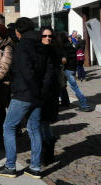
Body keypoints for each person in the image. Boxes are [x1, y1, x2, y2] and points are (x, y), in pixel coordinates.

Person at [0, 17, 43, 179]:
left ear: (18, 31)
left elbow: (26, 72)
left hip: (24, 93)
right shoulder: (41, 44)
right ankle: (35, 167)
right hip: (38, 94)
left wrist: (31, 90)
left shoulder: (22, 47)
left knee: (9, 127)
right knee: (34, 129)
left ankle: (10, 166)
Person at [38, 27, 63, 166]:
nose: (48, 38)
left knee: (42, 122)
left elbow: (49, 73)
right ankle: (48, 155)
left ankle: (44, 156)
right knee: (44, 123)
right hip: (48, 91)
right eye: (45, 35)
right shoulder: (42, 49)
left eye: (50, 36)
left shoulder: (52, 51)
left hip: (49, 92)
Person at [61, 33, 91, 112]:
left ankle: (84, 104)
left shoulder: (63, 48)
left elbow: (64, 60)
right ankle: (65, 101)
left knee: (74, 87)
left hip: (67, 69)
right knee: (64, 86)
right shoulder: (72, 47)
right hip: (72, 69)